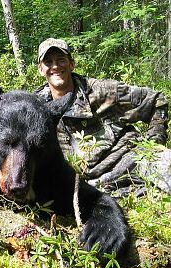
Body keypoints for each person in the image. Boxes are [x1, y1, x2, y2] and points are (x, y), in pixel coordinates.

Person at [35, 37, 170, 196]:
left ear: (72, 64)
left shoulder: (102, 92)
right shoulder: (37, 109)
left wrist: (153, 143)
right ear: (41, 69)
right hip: (92, 183)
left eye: (61, 60)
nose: (55, 66)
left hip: (132, 159)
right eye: (48, 62)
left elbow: (156, 100)